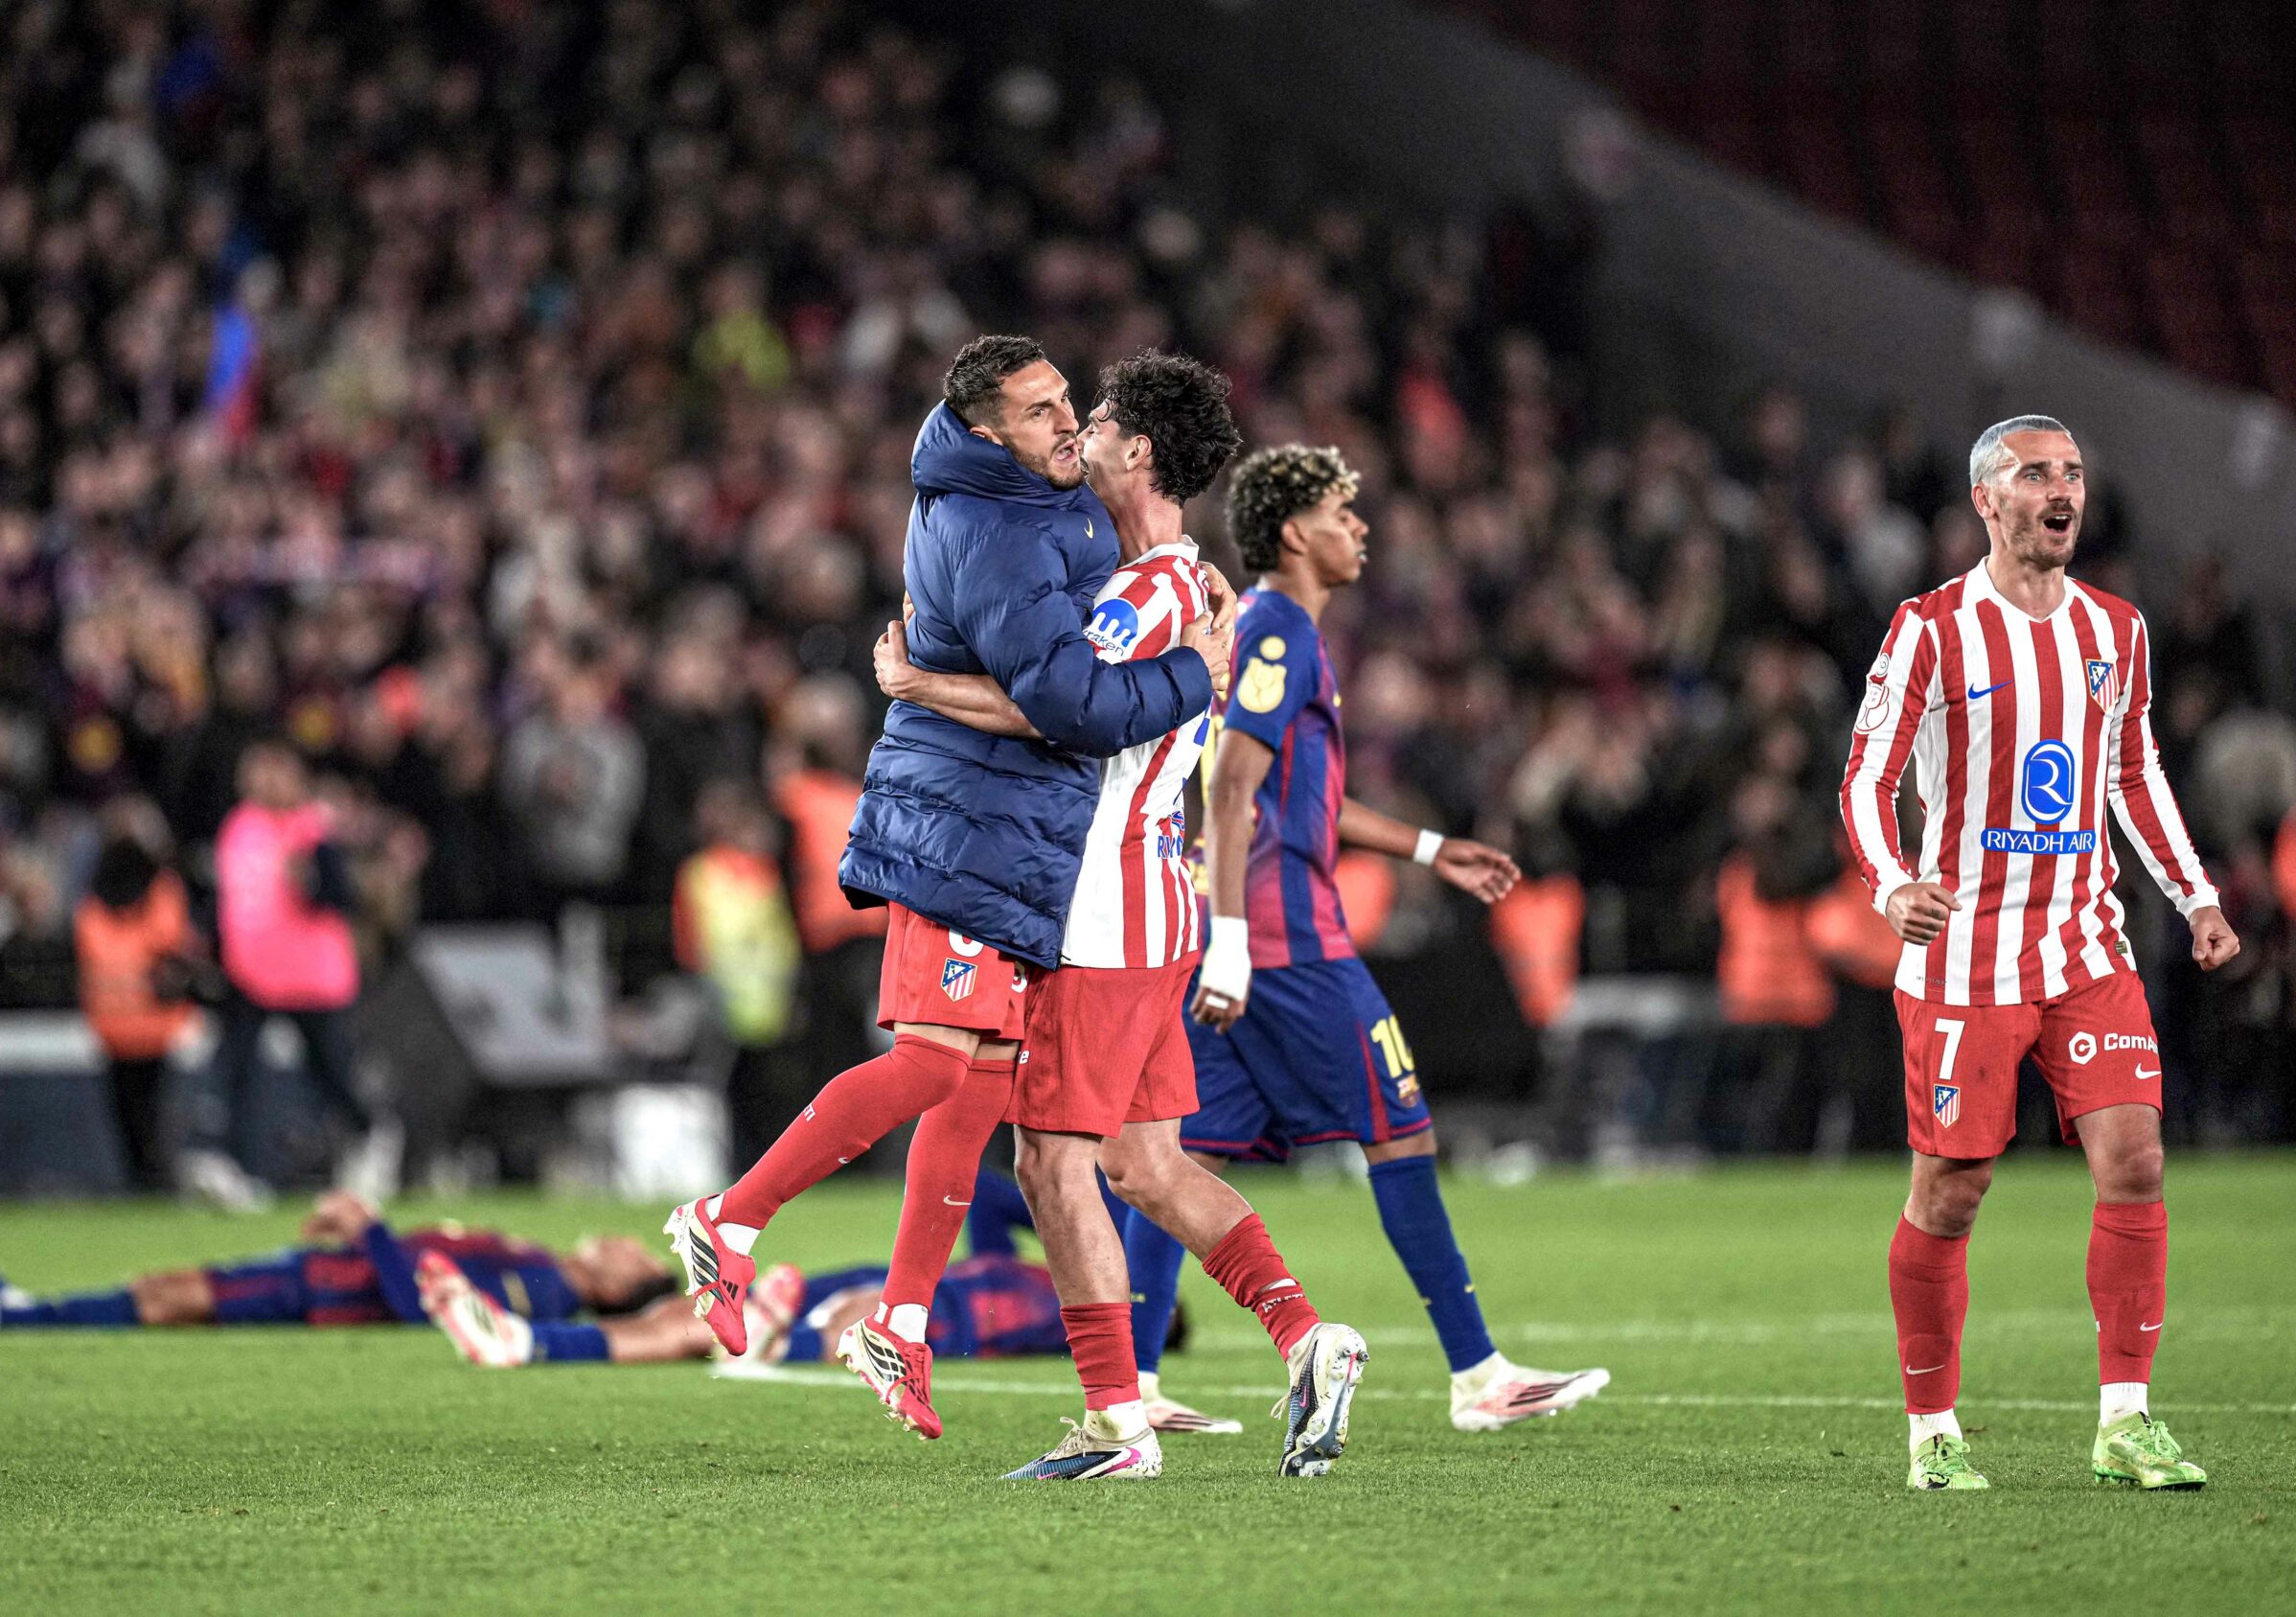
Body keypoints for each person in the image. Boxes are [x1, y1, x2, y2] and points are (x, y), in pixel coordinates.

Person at [663, 336, 1230, 1440]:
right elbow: (1062, 704)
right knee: (931, 1064)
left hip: (1012, 837)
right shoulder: (1002, 528)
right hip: (959, 828)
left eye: (1072, 402)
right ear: (986, 430)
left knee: (981, 1082)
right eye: (1041, 410)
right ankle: (727, 1222)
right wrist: (1190, 672)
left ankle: (904, 1321)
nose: (1068, 423)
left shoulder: (1036, 507)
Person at [871, 354, 1366, 1482]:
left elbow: (1060, 710)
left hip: (1097, 911)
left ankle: (1115, 1425)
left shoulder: (1146, 594)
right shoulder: (1195, 590)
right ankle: (1308, 1335)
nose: (1076, 435)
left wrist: (914, 684)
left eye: (1093, 420)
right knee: (1145, 1162)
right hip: (1161, 906)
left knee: (1051, 1162)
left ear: (1135, 450)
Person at [1124, 444, 1612, 1434]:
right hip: (1285, 946)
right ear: (1297, 531)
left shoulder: (1282, 635)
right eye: (1345, 512)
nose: (1363, 528)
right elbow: (1229, 787)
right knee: (1400, 1129)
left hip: (1242, 942)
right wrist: (1227, 940)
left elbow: (1307, 796)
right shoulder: (1277, 632)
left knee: (1184, 1162)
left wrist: (1432, 848)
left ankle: (1130, 1388)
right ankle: (1478, 1374)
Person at [1840, 415, 2240, 1492]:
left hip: (2083, 945)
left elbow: (2133, 774)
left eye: (2071, 473)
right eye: (2035, 474)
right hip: (1963, 953)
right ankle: (1930, 1428)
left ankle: (2126, 1420)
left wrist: (2194, 895)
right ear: (1986, 500)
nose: (2061, 490)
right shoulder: (1930, 630)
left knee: (2136, 1159)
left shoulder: (2116, 629)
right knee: (1952, 1190)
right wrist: (1891, 883)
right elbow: (1866, 777)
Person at [423, 1171, 1173, 1372]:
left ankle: (788, 1339)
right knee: (695, 1319)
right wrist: (1077, 1200)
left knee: (858, 1315)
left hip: (911, 1304)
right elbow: (987, 1191)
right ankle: (526, 1341)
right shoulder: (1030, 1268)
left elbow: (989, 1329)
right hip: (875, 1278)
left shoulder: (1067, 1319)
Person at [0, 1190, 675, 1337]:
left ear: (617, 1287)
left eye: (635, 1253)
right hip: (332, 1270)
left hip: (329, 1292)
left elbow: (422, 1305)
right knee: (162, 1288)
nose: (621, 1238)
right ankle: (10, 1305)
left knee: (161, 1296)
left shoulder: (539, 1288)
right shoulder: (539, 1263)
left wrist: (370, 1229)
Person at [184, 742, 395, 1210]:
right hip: (251, 973)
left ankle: (371, 1139)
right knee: (233, 1068)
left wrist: (313, 881)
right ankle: (229, 1166)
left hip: (309, 977)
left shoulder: (314, 832)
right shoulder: (241, 830)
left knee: (331, 1072)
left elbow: (342, 899)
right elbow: (231, 900)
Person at [73, 823, 206, 1192]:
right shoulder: (162, 890)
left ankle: (140, 1182)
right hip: (157, 1026)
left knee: (128, 1116)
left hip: (112, 1025)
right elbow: (172, 946)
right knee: (156, 1116)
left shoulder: (93, 902)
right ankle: (156, 1182)